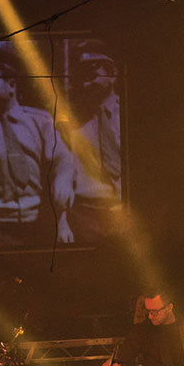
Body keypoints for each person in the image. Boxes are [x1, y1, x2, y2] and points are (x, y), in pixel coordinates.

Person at [0, 42, 77, 248]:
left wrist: (64, 182)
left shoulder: (41, 122)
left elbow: (63, 159)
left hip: (40, 225)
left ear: (11, 84)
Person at [64, 39, 122, 243]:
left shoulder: (128, 115)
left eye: (92, 73)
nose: (87, 83)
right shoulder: (73, 121)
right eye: (82, 75)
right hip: (84, 215)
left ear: (112, 73)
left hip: (123, 213)